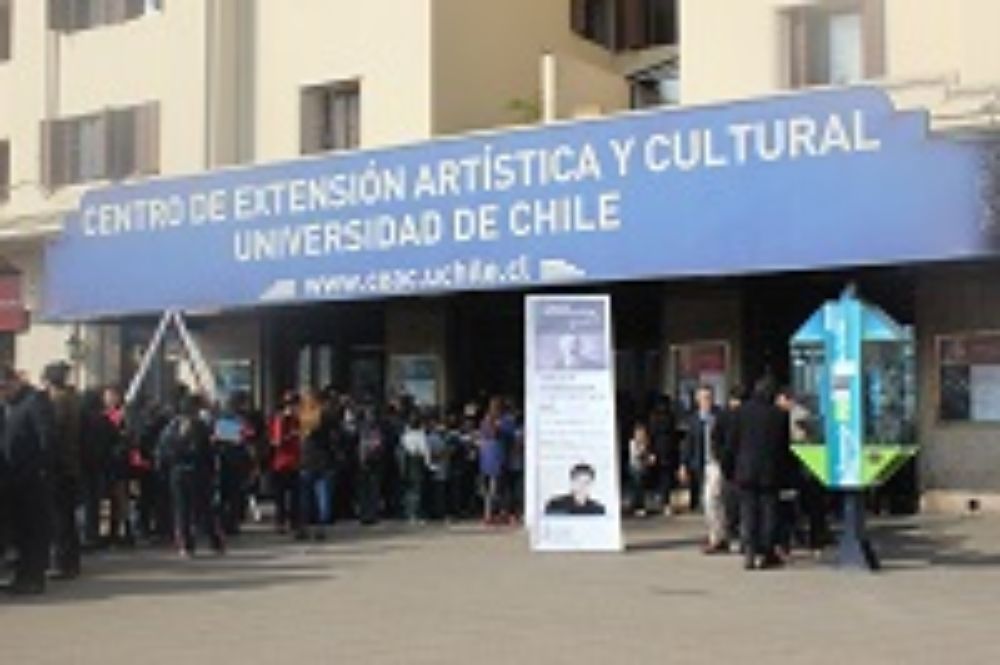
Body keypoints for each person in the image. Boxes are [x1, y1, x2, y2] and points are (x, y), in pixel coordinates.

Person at [0, 366, 56, 594]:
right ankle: (22, 576)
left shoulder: (34, 401)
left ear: (15, 381)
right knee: (21, 531)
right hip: (13, 479)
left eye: (4, 386)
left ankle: (34, 578)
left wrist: (39, 469)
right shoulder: (9, 405)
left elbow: (47, 440)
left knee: (34, 529)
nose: (2, 392)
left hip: (32, 479)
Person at [158, 394, 224, 557]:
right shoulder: (201, 427)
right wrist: (212, 471)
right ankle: (214, 542)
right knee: (204, 508)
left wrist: (166, 468)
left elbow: (162, 451)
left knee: (182, 509)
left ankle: (187, 545)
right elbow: (208, 452)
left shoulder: (170, 428)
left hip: (177, 472)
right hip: (197, 472)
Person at [735, 378, 791, 570]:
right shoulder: (779, 415)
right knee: (769, 511)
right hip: (770, 471)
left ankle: (750, 551)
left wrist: (732, 466)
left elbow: (733, 442)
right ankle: (766, 551)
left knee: (748, 511)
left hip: (745, 469)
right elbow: (784, 447)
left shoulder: (741, 412)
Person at [42, 361, 83, 579]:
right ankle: (71, 561)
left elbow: (54, 433)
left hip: (61, 465)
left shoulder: (59, 402)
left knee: (59, 517)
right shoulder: (74, 399)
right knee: (67, 516)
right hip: (72, 464)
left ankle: (61, 562)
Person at [681, 386, 728, 553]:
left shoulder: (720, 416)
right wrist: (684, 464)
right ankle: (718, 534)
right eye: (703, 398)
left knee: (711, 499)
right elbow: (688, 443)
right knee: (710, 501)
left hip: (717, 463)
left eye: (709, 397)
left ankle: (716, 537)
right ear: (697, 400)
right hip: (701, 464)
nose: (706, 401)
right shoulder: (693, 420)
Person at [297, 389, 332, 541]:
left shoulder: (302, 418)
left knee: (305, 497)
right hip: (323, 460)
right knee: (322, 496)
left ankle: (304, 527)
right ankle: (321, 528)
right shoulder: (325, 416)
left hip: (306, 460)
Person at [715, 385, 745, 552]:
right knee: (733, 503)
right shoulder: (727, 416)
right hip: (735, 466)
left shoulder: (727, 415)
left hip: (733, 466)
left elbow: (716, 440)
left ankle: (734, 535)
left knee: (733, 503)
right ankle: (735, 535)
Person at [269, 391, 301, 534]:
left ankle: (294, 523)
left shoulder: (295, 419)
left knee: (295, 496)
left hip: (294, 461)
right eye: (294, 404)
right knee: (281, 496)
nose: (296, 408)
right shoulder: (281, 419)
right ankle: (280, 523)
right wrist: (291, 435)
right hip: (281, 463)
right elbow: (276, 442)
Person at [400, 413, 430, 523]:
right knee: (416, 490)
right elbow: (424, 451)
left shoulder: (405, 435)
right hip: (416, 462)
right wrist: (428, 464)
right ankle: (413, 514)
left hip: (409, 463)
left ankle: (410, 513)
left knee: (410, 490)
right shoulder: (419, 435)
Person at [627, 421, 654, 517]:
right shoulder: (633, 443)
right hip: (635, 468)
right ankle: (638, 507)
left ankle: (639, 506)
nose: (641, 435)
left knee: (641, 488)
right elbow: (636, 455)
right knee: (637, 488)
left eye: (643, 433)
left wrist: (649, 458)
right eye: (639, 433)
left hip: (643, 469)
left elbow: (648, 456)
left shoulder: (646, 442)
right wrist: (643, 449)